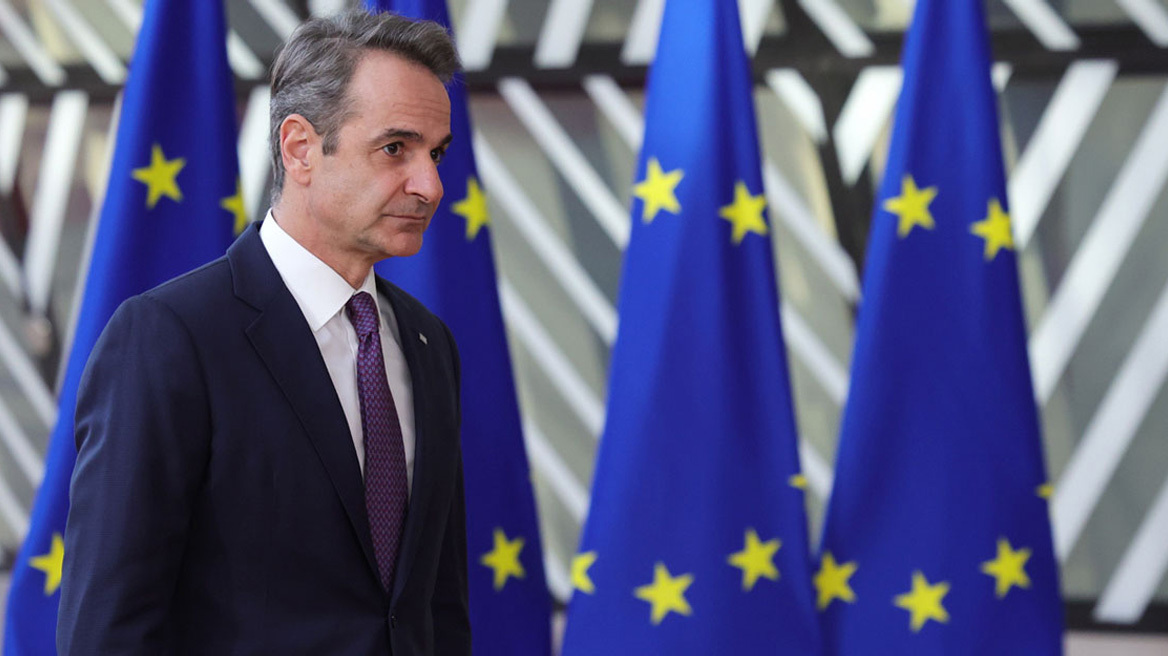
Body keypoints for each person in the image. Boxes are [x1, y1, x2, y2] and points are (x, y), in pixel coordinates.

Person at [57, 10, 471, 655]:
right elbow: (107, 630)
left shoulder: (428, 343)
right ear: (300, 147)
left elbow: (436, 608)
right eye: (396, 148)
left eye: (436, 153)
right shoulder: (171, 337)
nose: (431, 186)